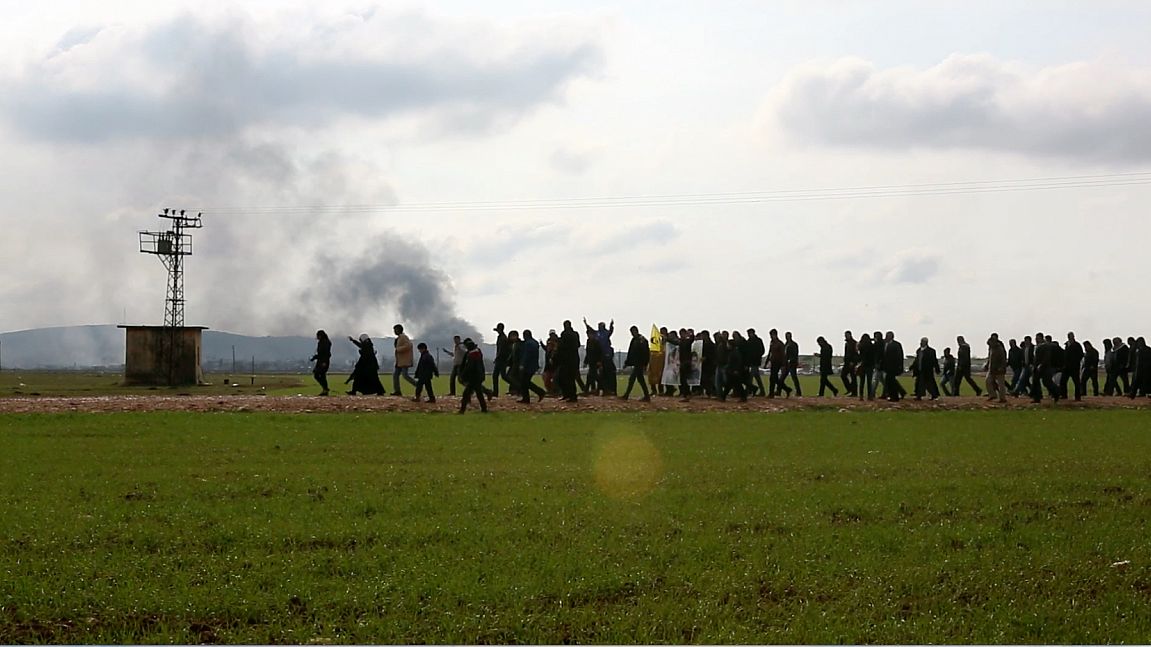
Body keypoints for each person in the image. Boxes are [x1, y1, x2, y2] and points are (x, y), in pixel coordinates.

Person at [621, 325, 652, 401]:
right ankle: (647, 396)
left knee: (632, 379)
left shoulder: (642, 340)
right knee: (640, 380)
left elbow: (646, 353)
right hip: (636, 363)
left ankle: (626, 395)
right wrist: (627, 363)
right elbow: (631, 352)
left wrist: (645, 363)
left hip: (640, 363)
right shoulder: (634, 340)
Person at [458, 338, 488, 413]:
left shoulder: (472, 355)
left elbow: (469, 367)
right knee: (479, 393)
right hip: (478, 376)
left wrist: (463, 375)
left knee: (466, 394)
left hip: (473, 378)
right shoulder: (478, 352)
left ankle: (462, 410)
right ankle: (484, 408)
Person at [517, 330, 547, 403]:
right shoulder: (535, 343)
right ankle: (538, 393)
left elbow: (526, 355)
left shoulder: (528, 344)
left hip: (528, 366)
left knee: (524, 382)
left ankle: (530, 396)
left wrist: (522, 364)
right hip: (533, 365)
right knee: (526, 382)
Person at [721, 331, 748, 402]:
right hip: (731, 371)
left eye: (728, 344)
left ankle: (724, 397)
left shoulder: (735, 352)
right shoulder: (733, 352)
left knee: (735, 385)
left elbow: (737, 362)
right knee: (731, 385)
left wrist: (736, 370)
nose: (727, 345)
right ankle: (723, 397)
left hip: (734, 371)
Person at [557, 320, 581, 402]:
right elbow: (578, 345)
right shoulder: (575, 334)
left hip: (566, 359)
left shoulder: (564, 334)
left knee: (564, 378)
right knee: (571, 378)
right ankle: (571, 395)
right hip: (574, 358)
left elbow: (561, 347)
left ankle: (568, 395)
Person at [391, 324, 417, 396]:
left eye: (395, 330)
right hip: (399, 361)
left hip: (404, 361)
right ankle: (397, 391)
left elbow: (408, 345)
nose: (394, 331)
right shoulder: (399, 338)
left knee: (405, 375)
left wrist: (398, 349)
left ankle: (418, 385)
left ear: (398, 330)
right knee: (395, 375)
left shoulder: (403, 337)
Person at [1060, 332, 1084, 401]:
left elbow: (1081, 354)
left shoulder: (1077, 345)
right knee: (1063, 381)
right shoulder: (1067, 345)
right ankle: (1064, 395)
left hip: (1074, 367)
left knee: (1076, 382)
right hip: (1066, 367)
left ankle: (1077, 397)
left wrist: (1075, 361)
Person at [883, 331, 906, 402]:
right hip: (887, 366)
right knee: (891, 381)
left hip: (893, 366)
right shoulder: (885, 344)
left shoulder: (896, 345)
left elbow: (899, 356)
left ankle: (894, 396)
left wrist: (900, 366)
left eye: (888, 336)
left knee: (890, 381)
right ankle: (900, 392)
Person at [985, 333, 1008, 403]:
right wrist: (987, 365)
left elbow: (1003, 359)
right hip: (992, 369)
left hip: (999, 369)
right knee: (988, 381)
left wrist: (1001, 367)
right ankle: (992, 395)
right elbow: (990, 358)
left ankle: (1002, 398)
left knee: (1001, 384)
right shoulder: (991, 349)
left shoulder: (1000, 349)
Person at [767, 329, 791, 397]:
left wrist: (783, 364)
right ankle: (786, 389)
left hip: (778, 362)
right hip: (773, 362)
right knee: (774, 378)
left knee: (773, 378)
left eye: (772, 335)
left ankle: (771, 393)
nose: (771, 337)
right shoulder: (772, 343)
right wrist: (767, 361)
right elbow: (770, 352)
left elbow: (783, 355)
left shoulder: (780, 344)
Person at [491, 323, 512, 397]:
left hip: (501, 359)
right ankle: (495, 392)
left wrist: (497, 358)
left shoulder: (502, 338)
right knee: (502, 376)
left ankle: (495, 392)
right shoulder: (502, 337)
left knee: (498, 376)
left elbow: (501, 350)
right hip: (502, 359)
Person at [309, 330, 332, 396]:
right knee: (320, 375)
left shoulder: (326, 342)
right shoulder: (322, 342)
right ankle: (325, 389)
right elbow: (321, 353)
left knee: (319, 374)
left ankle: (325, 389)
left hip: (323, 361)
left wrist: (324, 361)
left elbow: (326, 353)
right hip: (320, 361)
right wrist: (315, 357)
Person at [746, 329, 766, 396]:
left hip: (755, 361)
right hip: (751, 361)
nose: (749, 335)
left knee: (751, 377)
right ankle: (762, 391)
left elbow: (762, 350)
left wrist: (757, 356)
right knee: (757, 377)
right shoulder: (749, 341)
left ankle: (749, 390)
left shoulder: (758, 341)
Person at [648, 327, 667, 396]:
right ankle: (653, 390)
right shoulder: (657, 343)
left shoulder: (667, 343)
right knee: (651, 375)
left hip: (662, 362)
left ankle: (661, 391)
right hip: (654, 361)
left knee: (660, 376)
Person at [857, 332, 875, 400]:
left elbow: (859, 355)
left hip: (863, 365)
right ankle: (869, 396)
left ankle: (861, 396)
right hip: (870, 365)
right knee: (869, 381)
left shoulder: (861, 346)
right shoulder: (871, 346)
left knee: (862, 381)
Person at [784, 331, 803, 396]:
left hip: (792, 362)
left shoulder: (793, 344)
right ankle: (779, 390)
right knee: (783, 377)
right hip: (788, 363)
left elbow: (795, 354)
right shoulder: (786, 344)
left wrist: (793, 360)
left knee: (794, 377)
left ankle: (798, 391)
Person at [678, 329, 695, 401]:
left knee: (685, 379)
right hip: (682, 362)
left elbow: (692, 339)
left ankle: (686, 394)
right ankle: (686, 394)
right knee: (682, 380)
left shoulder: (687, 341)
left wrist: (691, 334)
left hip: (687, 362)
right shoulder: (680, 342)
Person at [841, 331, 859, 397]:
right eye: (845, 335)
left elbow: (856, 354)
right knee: (843, 375)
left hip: (852, 363)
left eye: (847, 335)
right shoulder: (847, 343)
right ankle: (850, 389)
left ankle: (854, 392)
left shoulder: (854, 343)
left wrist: (853, 362)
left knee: (853, 377)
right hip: (847, 362)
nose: (846, 336)